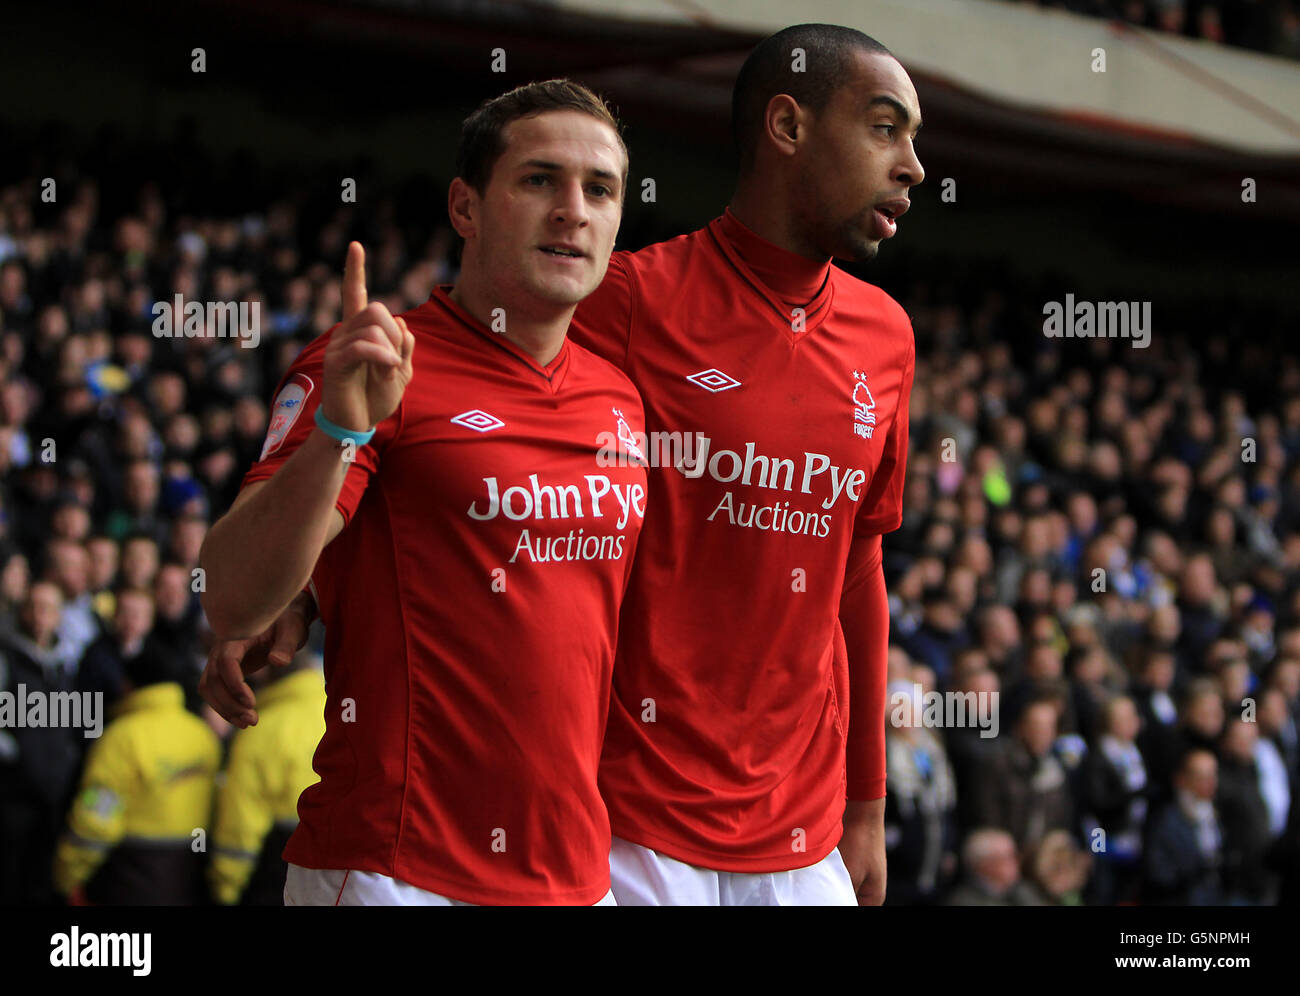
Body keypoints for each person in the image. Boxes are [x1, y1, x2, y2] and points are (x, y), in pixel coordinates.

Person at [199, 80, 647, 905]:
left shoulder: (620, 396)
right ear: (466, 208)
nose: (573, 210)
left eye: (600, 189)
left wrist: (316, 597)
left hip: (577, 875)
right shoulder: (375, 364)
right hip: (397, 872)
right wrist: (340, 432)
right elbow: (228, 599)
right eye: (539, 179)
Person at [563, 22, 922, 905]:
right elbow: (458, 407)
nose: (913, 164)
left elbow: (858, 570)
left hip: (803, 836)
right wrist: (305, 584)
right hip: (629, 822)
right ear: (788, 126)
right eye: (886, 128)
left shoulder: (888, 335)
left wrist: (867, 804)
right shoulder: (628, 301)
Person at [53, 641, 220, 905]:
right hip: (191, 879)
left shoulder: (120, 739)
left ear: (129, 685)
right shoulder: (203, 736)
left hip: (129, 879)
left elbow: (94, 819)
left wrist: (66, 876)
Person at [209, 651, 326, 905]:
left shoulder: (261, 733)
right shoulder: (336, 713)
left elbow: (240, 827)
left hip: (278, 876)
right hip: (339, 875)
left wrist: (224, 888)